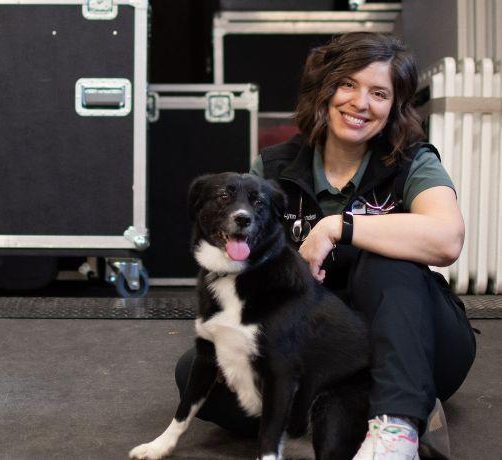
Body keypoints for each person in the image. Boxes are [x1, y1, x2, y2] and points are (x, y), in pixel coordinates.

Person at [175, 32, 476, 460]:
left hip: (417, 340)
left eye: (379, 93)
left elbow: (448, 238)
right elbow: (240, 255)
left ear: (394, 106)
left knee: (385, 260)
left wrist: (340, 227)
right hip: (327, 347)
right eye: (348, 84)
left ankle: (398, 421)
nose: (360, 103)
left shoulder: (413, 161)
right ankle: (343, 414)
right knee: (193, 370)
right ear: (325, 89)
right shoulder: (274, 166)